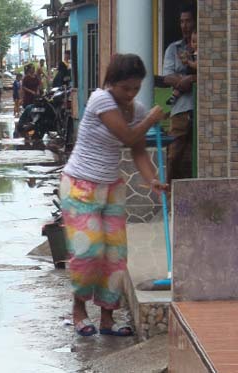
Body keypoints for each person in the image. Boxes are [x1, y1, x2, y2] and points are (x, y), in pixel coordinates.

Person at [61, 54, 168, 337]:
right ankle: (79, 309)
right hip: (80, 185)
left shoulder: (138, 109)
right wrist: (152, 119)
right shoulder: (101, 100)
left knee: (115, 256)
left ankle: (107, 318)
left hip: (111, 187)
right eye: (126, 88)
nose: (131, 94)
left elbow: (138, 151)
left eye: (136, 88)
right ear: (112, 83)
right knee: (88, 251)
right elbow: (129, 138)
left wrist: (152, 180)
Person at [163, 5, 196, 183]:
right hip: (180, 109)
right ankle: (168, 194)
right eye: (181, 22)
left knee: (197, 155)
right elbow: (167, 78)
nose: (184, 25)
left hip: (200, 108)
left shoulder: (202, 46)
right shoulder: (173, 49)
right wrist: (187, 80)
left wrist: (190, 78)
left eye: (188, 21)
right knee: (174, 155)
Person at [167, 28, 197, 106]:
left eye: (197, 42)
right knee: (180, 84)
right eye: (193, 42)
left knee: (185, 82)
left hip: (193, 73)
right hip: (188, 73)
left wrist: (188, 62)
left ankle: (175, 96)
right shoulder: (193, 52)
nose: (195, 44)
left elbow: (197, 65)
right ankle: (174, 96)